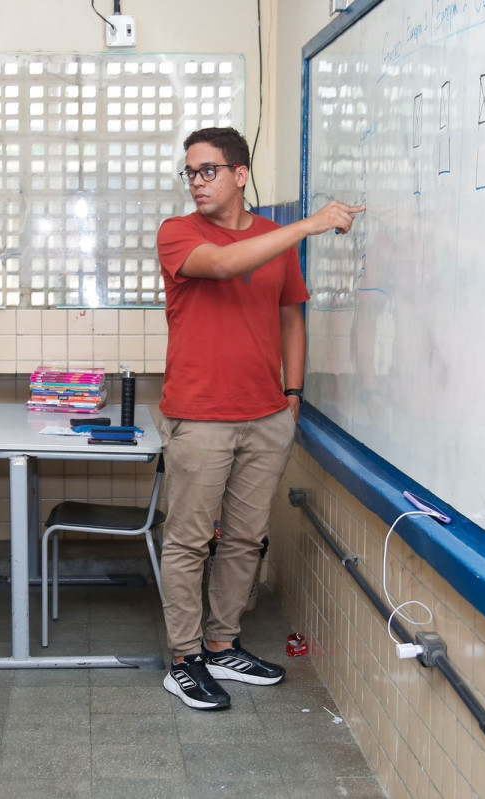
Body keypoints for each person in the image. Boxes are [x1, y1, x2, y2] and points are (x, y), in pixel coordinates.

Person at [156, 127, 364, 711]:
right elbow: (222, 266)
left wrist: (291, 394)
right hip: (200, 417)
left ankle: (222, 644)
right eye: (190, 172)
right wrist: (309, 224)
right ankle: (184, 659)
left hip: (266, 416)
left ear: (240, 175)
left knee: (245, 540)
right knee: (189, 541)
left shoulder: (275, 240)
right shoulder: (179, 235)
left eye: (208, 171)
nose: (197, 182)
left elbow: (293, 318)